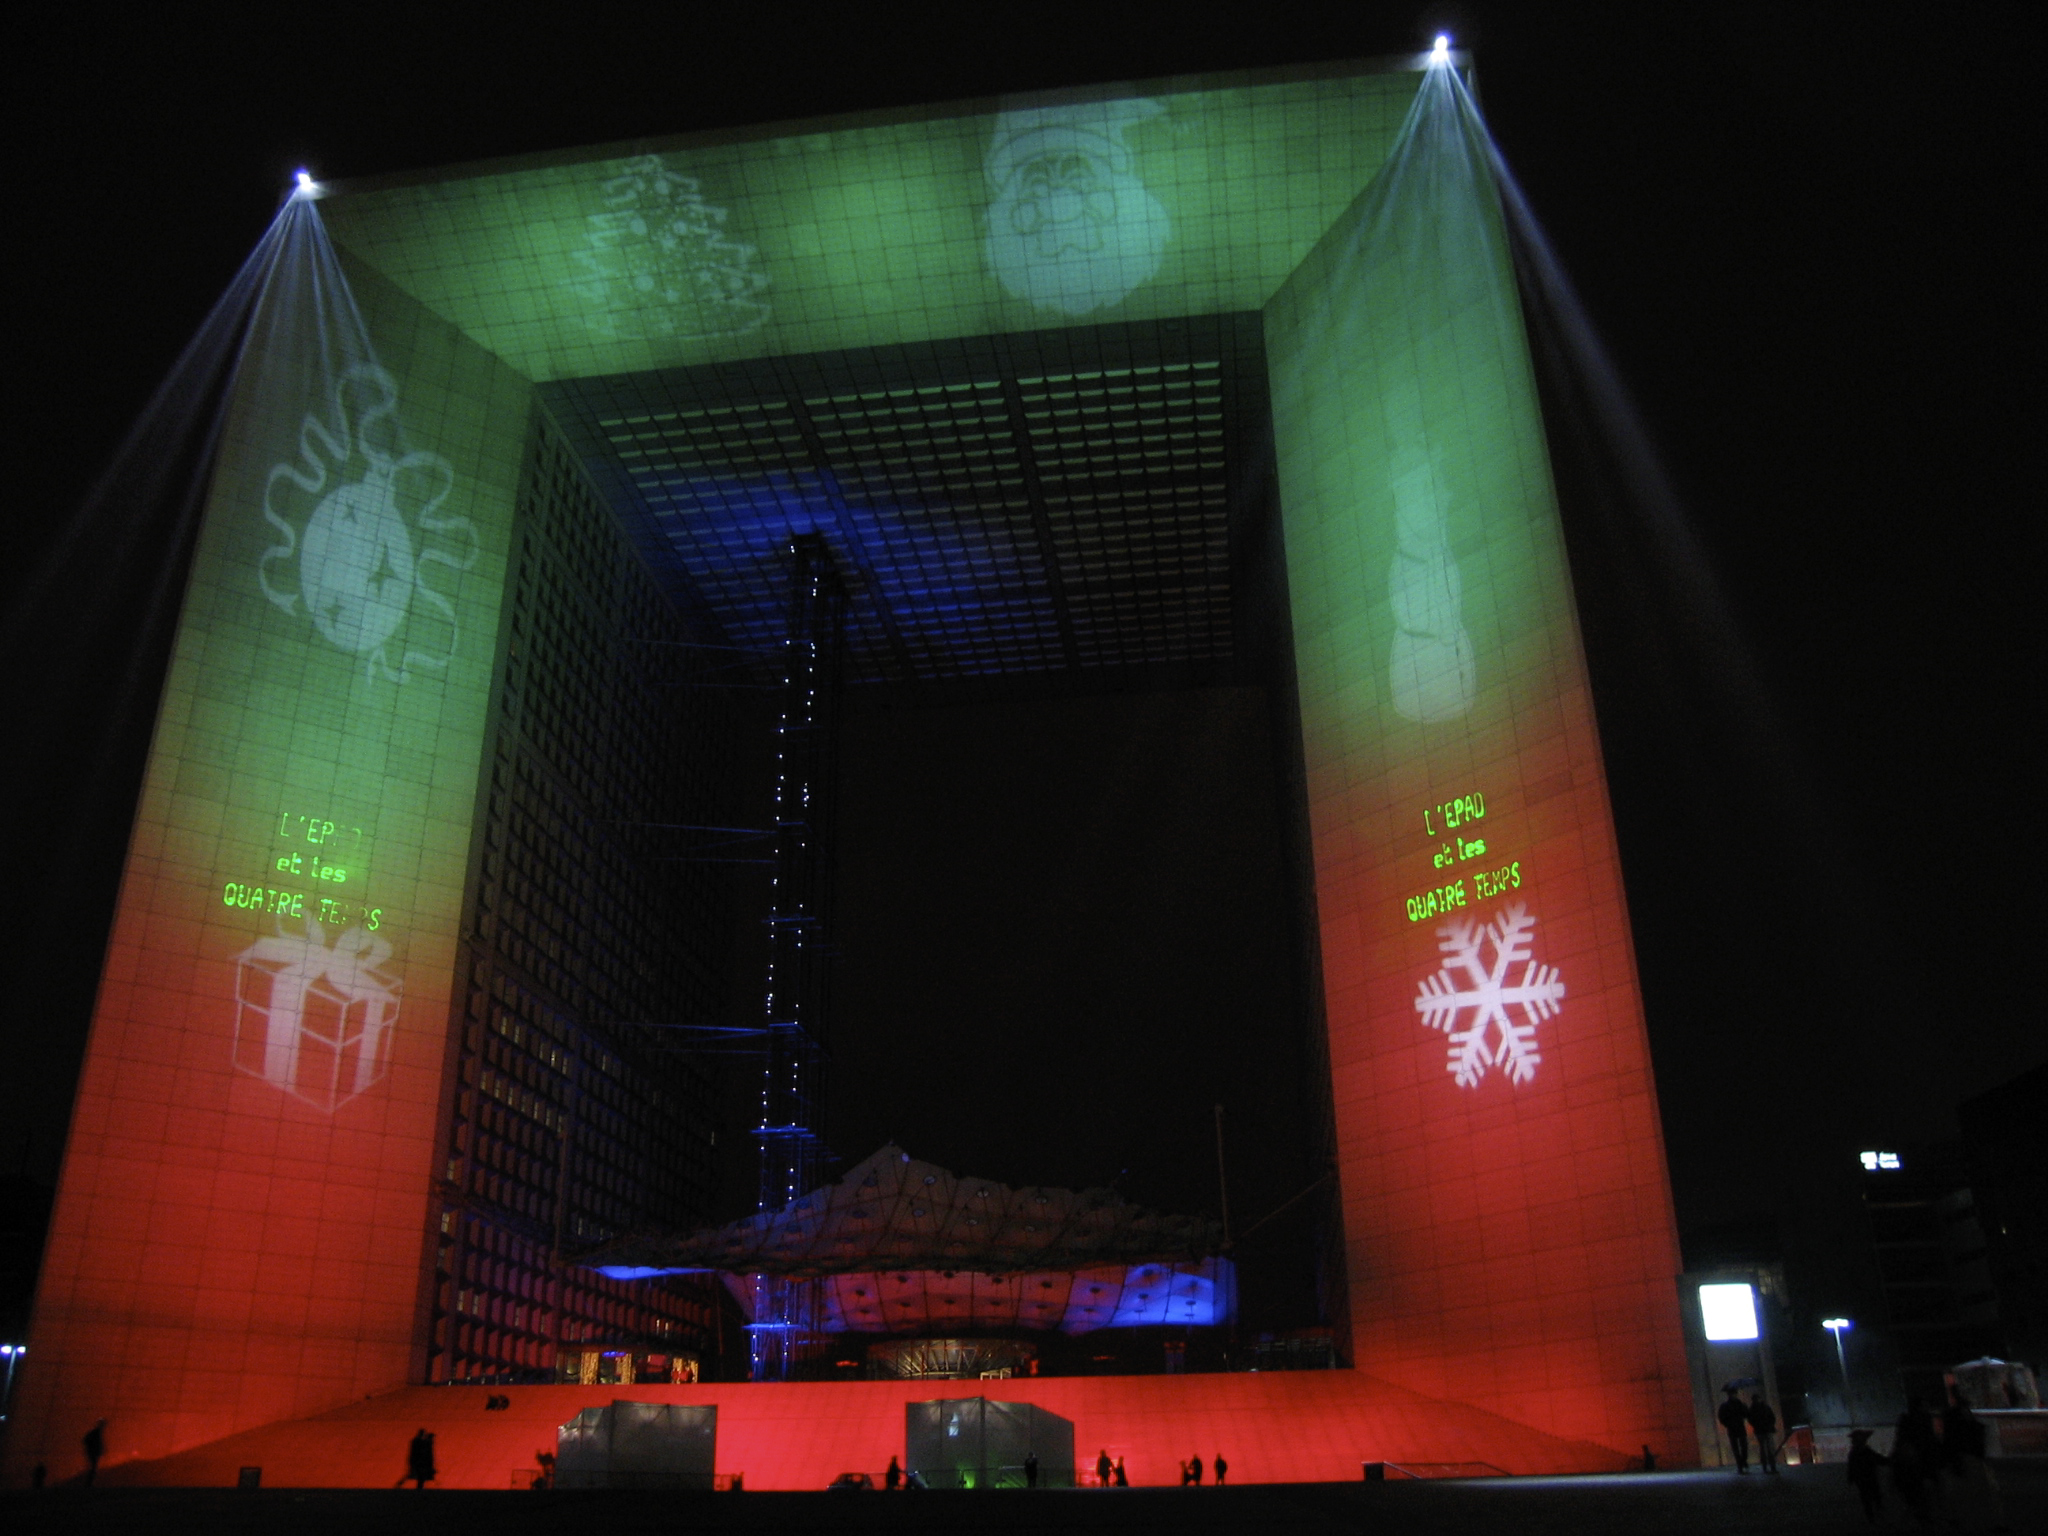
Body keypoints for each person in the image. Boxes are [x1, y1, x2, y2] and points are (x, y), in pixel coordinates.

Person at [1844, 1428, 1887, 1525]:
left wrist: (1851, 1478)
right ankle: (1876, 1517)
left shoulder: (1857, 1452)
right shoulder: (1864, 1452)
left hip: (1863, 1480)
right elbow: (1879, 1459)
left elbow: (1851, 1467)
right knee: (1874, 1498)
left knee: (1868, 1499)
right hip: (1868, 1479)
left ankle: (1873, 1518)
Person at [1716, 1387, 1751, 1472]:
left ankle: (1742, 1462)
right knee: (1738, 1447)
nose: (1734, 1395)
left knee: (1742, 1447)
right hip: (1735, 1427)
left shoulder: (1736, 1404)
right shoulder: (1729, 1405)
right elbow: (1722, 1417)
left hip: (1736, 1427)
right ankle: (1741, 1463)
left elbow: (1746, 1414)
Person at [1747, 1392, 1779, 1474]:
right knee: (1769, 1449)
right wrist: (1770, 1425)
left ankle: (1765, 1467)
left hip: (1759, 1430)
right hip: (1766, 1429)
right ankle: (1772, 1467)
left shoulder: (1752, 1409)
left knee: (1763, 1449)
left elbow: (1750, 1420)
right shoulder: (1765, 1407)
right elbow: (1772, 1417)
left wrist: (1756, 1425)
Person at [81, 1420, 106, 1487]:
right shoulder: (96, 1433)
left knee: (92, 1468)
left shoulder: (96, 1433)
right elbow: (97, 1443)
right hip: (93, 1453)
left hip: (92, 1453)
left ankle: (88, 1483)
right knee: (93, 1468)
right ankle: (88, 1484)